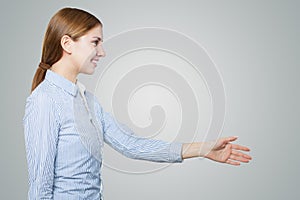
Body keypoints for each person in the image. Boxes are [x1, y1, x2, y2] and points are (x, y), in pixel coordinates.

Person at [23, 7, 252, 199]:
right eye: (95, 42)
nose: (102, 52)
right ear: (67, 43)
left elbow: (131, 145)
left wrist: (202, 149)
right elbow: (39, 188)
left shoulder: (87, 101)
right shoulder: (44, 101)